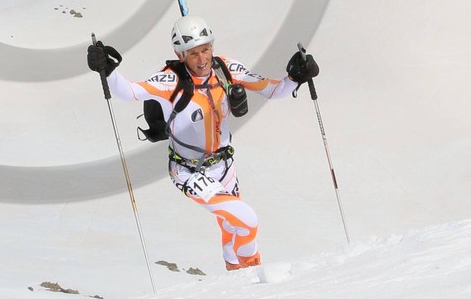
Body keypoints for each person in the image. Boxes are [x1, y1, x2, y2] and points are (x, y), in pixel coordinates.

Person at [87, 19, 318, 272]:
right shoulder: (170, 80)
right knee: (247, 220)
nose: (202, 59)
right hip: (189, 171)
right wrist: (107, 70)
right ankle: (257, 273)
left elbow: (274, 90)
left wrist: (297, 76)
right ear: (180, 54)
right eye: (193, 53)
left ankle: (236, 280)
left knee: (231, 227)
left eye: (206, 49)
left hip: (225, 166)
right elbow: (129, 92)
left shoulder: (226, 69)